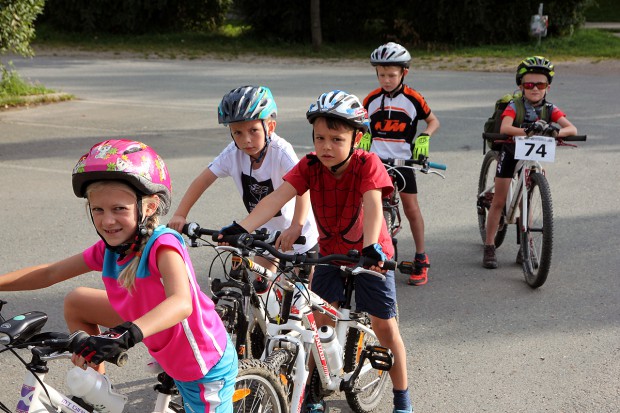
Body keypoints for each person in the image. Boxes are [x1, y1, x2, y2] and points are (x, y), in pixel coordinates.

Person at [0, 139, 238, 413]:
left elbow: (181, 303)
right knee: (78, 301)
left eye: (119, 209)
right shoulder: (110, 249)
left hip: (200, 364)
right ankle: (97, 395)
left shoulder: (163, 244)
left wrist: (125, 334)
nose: (107, 220)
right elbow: (50, 272)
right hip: (159, 337)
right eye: (98, 209)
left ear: (148, 207)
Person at [218, 90, 413, 413]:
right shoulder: (310, 165)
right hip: (329, 255)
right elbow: (276, 198)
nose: (325, 146)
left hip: (371, 255)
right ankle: (313, 392)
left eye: (336, 139)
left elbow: (373, 204)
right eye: (319, 137)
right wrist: (243, 227)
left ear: (357, 140)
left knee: (385, 326)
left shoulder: (368, 164)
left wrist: (371, 248)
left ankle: (402, 398)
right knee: (317, 321)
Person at [168, 85, 319, 273]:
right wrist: (181, 214)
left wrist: (297, 225)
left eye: (253, 130)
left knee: (304, 295)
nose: (246, 139)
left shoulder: (281, 151)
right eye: (238, 132)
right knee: (259, 288)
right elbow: (203, 180)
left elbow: (302, 188)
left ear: (270, 127)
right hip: (264, 234)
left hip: (299, 235)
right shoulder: (233, 152)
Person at [483, 56, 577, 268]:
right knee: (499, 200)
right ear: (521, 86)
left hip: (533, 154)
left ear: (548, 87)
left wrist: (556, 131)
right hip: (511, 150)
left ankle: (525, 245)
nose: (535, 89)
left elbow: (572, 129)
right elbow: (506, 127)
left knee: (528, 198)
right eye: (529, 84)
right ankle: (489, 245)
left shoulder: (550, 108)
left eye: (540, 84)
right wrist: (525, 130)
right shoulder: (515, 105)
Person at [360, 42, 440, 286]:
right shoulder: (371, 99)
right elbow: (360, 125)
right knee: (365, 207)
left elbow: (433, 121)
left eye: (391, 75)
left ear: (404, 72)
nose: (386, 80)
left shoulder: (414, 99)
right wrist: (362, 135)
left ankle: (421, 256)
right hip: (376, 161)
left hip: (403, 160)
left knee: (411, 208)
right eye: (381, 74)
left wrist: (425, 135)